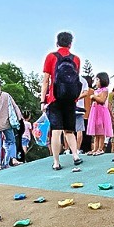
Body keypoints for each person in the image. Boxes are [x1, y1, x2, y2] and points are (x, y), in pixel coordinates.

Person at [40, 31, 83, 170]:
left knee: (56, 131)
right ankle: (75, 155)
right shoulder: (76, 59)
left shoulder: (51, 57)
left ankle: (56, 162)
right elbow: (75, 80)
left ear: (57, 42)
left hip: (55, 97)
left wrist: (42, 101)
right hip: (71, 98)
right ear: (71, 43)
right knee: (70, 130)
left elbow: (46, 80)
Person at [86, 72, 113, 156]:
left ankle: (100, 148)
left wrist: (94, 97)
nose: (96, 81)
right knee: (96, 132)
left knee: (101, 131)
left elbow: (102, 100)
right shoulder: (96, 91)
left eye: (97, 80)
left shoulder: (105, 90)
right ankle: (95, 148)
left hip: (101, 112)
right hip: (95, 112)